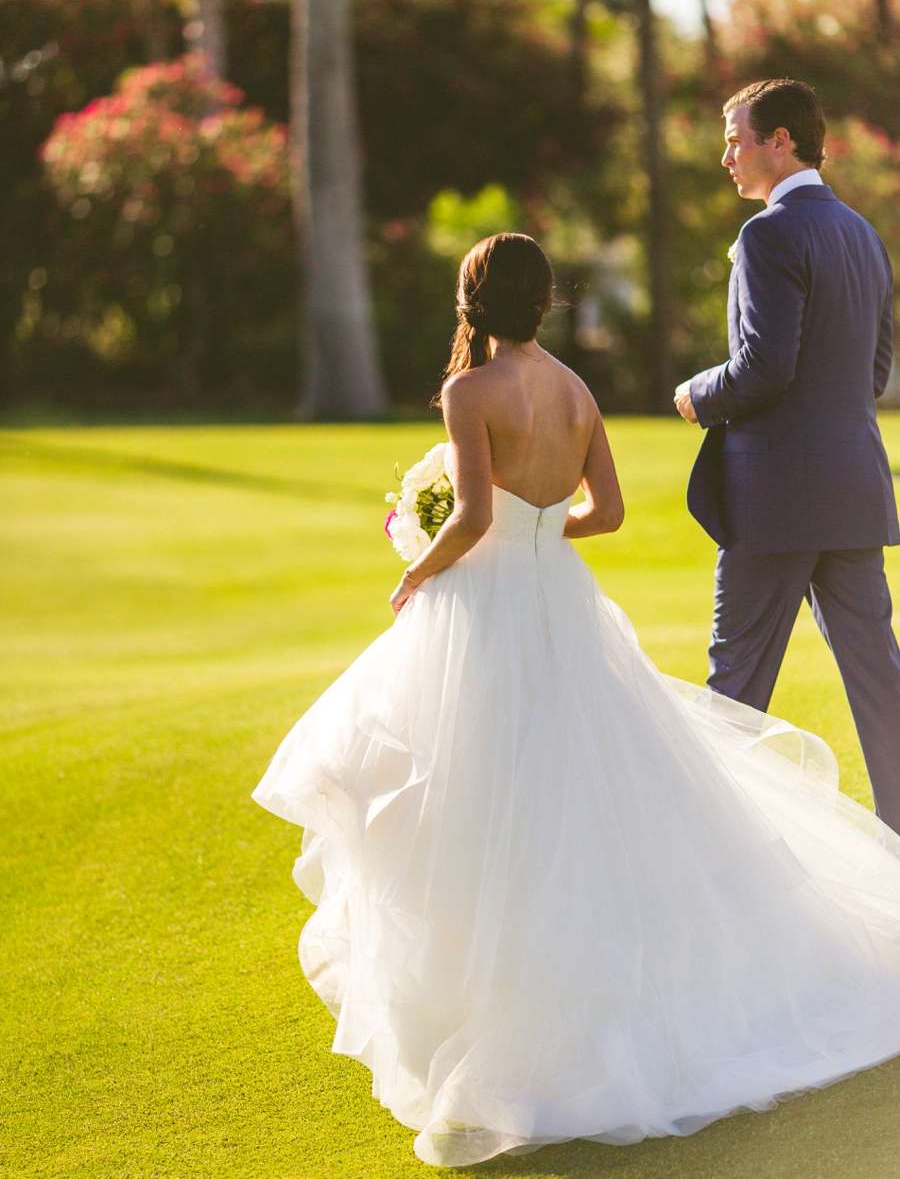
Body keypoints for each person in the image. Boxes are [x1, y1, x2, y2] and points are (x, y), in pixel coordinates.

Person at [255, 233, 900, 1168]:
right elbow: (610, 511)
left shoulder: (467, 392)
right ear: (544, 300)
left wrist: (420, 566)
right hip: (558, 592)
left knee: (467, 784)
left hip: (487, 604)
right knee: (576, 783)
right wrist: (544, 527)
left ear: (473, 300)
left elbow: (475, 515)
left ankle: (498, 992)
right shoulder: (574, 388)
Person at [675, 79, 900, 835]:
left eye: (737, 138)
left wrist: (698, 393)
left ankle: (714, 847)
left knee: (734, 684)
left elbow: (764, 367)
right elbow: (874, 372)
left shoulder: (769, 235)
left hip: (777, 501)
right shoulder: (862, 232)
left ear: (782, 141)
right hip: (853, 492)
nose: (726, 155)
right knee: (880, 683)